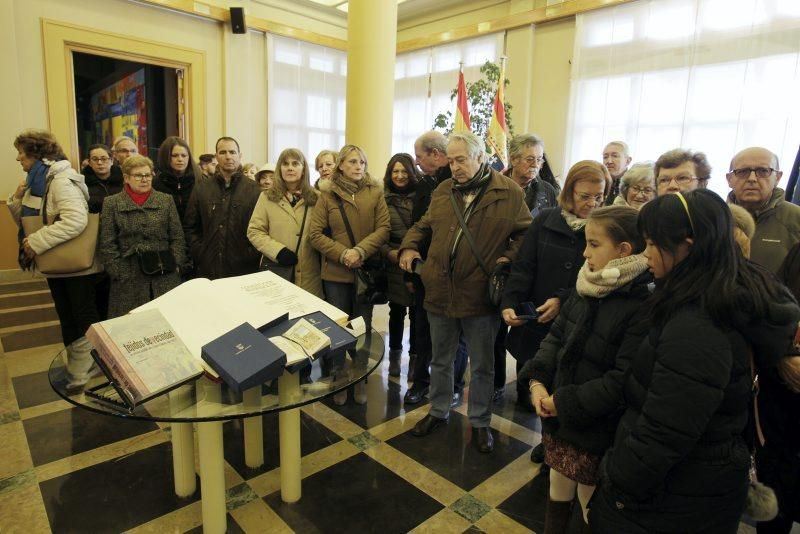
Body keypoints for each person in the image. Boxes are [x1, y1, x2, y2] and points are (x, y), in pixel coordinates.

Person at [590, 189, 800, 533]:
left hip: (675, 495)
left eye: (653, 243)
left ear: (688, 246)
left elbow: (665, 432)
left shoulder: (696, 325)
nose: (646, 254)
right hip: (700, 484)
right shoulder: (721, 293)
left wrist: (618, 480)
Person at [518, 205, 651, 533]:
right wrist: (537, 381)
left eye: (593, 244)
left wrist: (563, 401)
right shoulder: (587, 284)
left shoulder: (642, 304)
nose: (584, 252)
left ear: (623, 250)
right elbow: (556, 338)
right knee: (558, 487)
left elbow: (624, 378)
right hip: (562, 420)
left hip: (598, 427)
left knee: (592, 506)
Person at [399, 131, 532, 453]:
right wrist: (408, 246)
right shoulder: (444, 190)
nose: (455, 166)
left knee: (483, 365)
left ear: (480, 157)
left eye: (461, 160)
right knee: (441, 359)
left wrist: (508, 258)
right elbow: (423, 225)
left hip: (480, 296)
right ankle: (438, 411)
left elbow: (526, 234)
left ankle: (481, 423)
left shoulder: (508, 192)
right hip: (439, 290)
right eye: (451, 160)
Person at [502, 160, 611, 463]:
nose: (591, 203)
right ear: (569, 192)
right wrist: (509, 301)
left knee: (566, 384)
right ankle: (547, 438)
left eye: (599, 197)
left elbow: (599, 275)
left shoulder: (606, 227)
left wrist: (562, 299)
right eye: (584, 196)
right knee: (538, 379)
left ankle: (556, 442)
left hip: (578, 320)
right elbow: (525, 265)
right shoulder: (546, 219)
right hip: (537, 315)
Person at [8, 130, 102, 391]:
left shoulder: (60, 181)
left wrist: (37, 242)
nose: (18, 158)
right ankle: (77, 369)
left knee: (81, 315)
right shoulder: (37, 182)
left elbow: (75, 219)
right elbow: (29, 223)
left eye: (22, 153)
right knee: (67, 315)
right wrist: (16, 199)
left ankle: (83, 371)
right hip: (59, 263)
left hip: (75, 264)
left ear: (38, 156)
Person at [308, 144, 390, 405]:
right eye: (353, 162)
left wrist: (360, 251)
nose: (358, 167)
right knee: (337, 328)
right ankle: (339, 377)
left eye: (362, 162)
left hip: (364, 271)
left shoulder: (375, 192)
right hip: (336, 274)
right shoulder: (327, 196)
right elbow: (315, 235)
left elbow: (384, 228)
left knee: (362, 327)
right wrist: (343, 254)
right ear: (341, 165)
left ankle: (360, 377)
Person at [404, 131, 469, 407]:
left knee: (457, 337)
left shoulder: (460, 186)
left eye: (419, 156)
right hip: (425, 273)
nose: (416, 163)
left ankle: (453, 386)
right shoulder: (425, 185)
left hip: (458, 275)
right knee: (422, 329)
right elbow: (419, 224)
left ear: (435, 155)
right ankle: (421, 382)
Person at [99, 155, 186, 318]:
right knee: (131, 328)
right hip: (128, 277)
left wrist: (176, 264)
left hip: (164, 274)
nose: (144, 179)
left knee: (168, 323)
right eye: (139, 175)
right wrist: (118, 271)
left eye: (148, 174)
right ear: (126, 178)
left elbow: (177, 237)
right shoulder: (112, 203)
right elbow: (107, 243)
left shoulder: (165, 200)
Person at [247, 148, 322, 297]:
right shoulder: (266, 197)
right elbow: (254, 231)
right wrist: (278, 251)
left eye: (295, 163)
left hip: (310, 275)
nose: (290, 168)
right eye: (285, 164)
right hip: (278, 271)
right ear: (279, 169)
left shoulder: (317, 198)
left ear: (303, 169)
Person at [183, 136, 261, 279]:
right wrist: (200, 252)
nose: (228, 157)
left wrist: (250, 254)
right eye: (223, 152)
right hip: (209, 267)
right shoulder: (202, 188)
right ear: (216, 157)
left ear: (240, 155)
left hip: (244, 268)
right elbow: (190, 226)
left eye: (232, 152)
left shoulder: (255, 190)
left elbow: (262, 228)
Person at [726, 146, 800, 274]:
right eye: (743, 171)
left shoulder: (795, 218)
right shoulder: (714, 217)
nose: (752, 179)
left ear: (778, 177)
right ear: (729, 179)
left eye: (763, 171)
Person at [382, 153, 419, 378]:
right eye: (395, 171)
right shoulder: (382, 198)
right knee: (396, 312)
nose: (399, 176)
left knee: (416, 314)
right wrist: (389, 253)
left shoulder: (424, 196)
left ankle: (415, 358)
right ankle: (394, 357)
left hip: (416, 260)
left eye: (404, 171)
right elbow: (377, 232)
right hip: (393, 260)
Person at [152, 137, 203, 222]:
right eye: (174, 155)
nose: (180, 159)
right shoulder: (155, 184)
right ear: (165, 157)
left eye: (184, 155)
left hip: (193, 233)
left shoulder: (200, 181)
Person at [505, 134, 558, 218]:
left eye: (539, 159)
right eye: (530, 159)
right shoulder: (496, 186)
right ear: (513, 160)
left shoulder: (548, 191)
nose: (535, 164)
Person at [83, 144, 123, 214]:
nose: (99, 163)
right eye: (95, 159)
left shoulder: (123, 179)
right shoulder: (83, 183)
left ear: (111, 161)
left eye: (104, 159)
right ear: (89, 163)